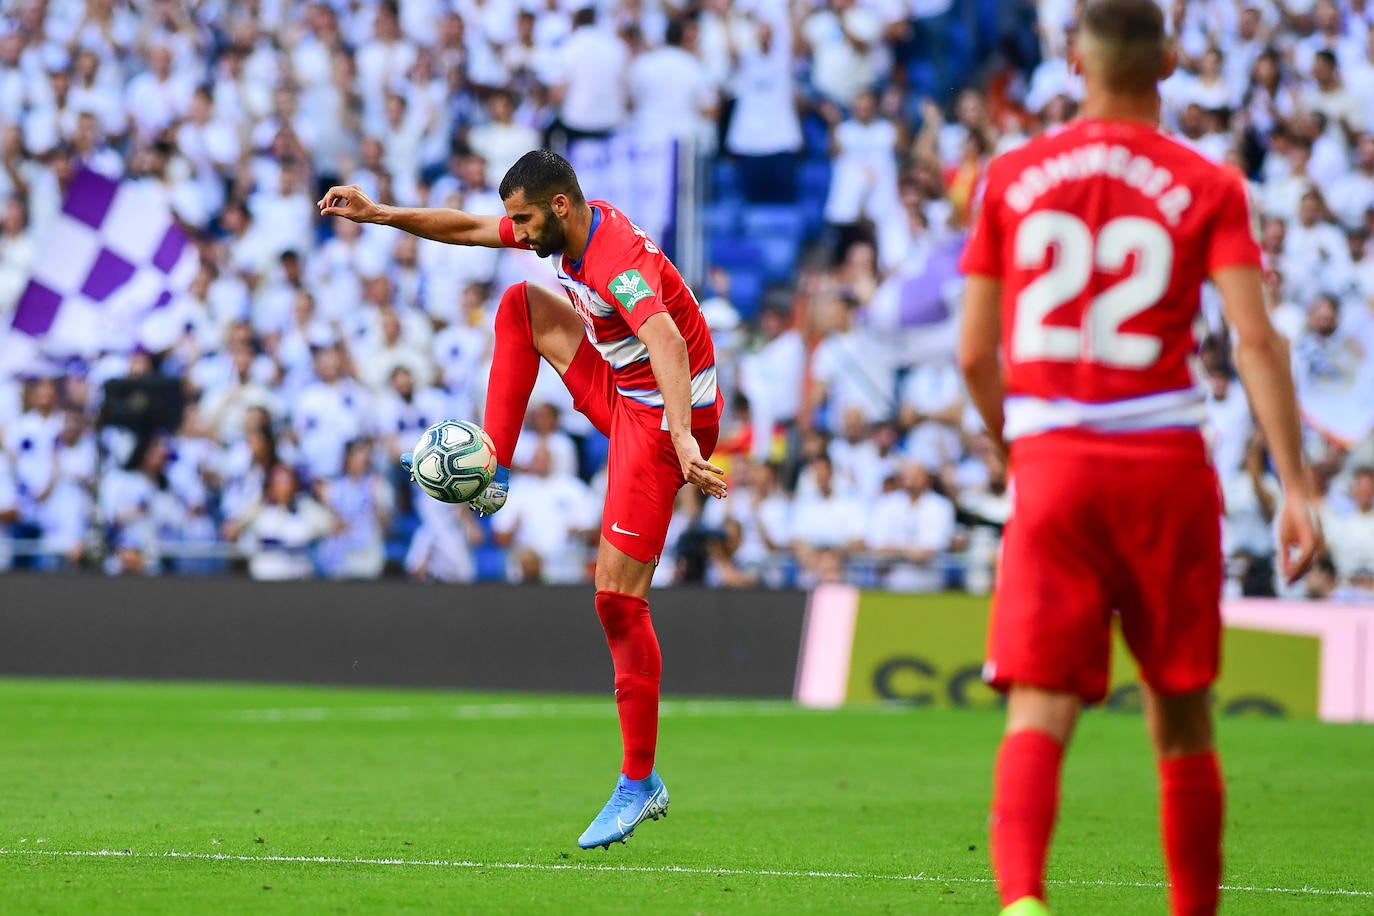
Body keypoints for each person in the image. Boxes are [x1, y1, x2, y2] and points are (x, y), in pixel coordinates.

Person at [956, 3, 1322, 915]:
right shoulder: (1209, 182)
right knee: (1184, 711)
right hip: (1163, 461)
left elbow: (971, 354)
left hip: (1053, 466)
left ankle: (1023, 901)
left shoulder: (1010, 176)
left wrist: (1016, 450)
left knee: (1040, 707)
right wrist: (1298, 487)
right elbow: (1255, 341)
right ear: (1167, 60)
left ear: (1075, 62)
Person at [318, 148, 725, 850]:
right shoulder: (563, 229)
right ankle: (490, 466)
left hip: (664, 416)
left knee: (615, 599)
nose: (516, 230)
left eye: (524, 218)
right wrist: (380, 213)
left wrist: (687, 441)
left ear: (559, 206)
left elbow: (664, 338)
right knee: (519, 306)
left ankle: (639, 782)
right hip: (625, 392)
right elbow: (469, 229)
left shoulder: (613, 259)